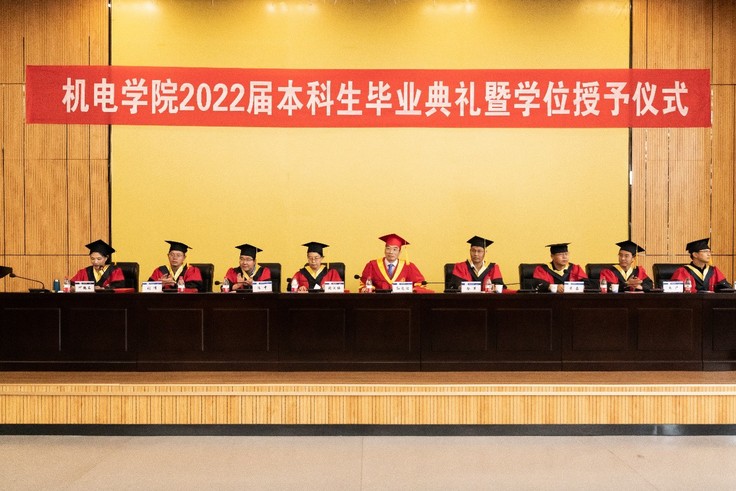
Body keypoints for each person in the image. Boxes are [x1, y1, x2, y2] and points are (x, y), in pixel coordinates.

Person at [359, 233, 431, 293]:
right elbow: (364, 283)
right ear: (384, 250)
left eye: (395, 249)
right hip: (378, 302)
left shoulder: (408, 266)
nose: (391, 252)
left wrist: (413, 290)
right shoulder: (373, 265)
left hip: (402, 302)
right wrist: (366, 289)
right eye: (388, 248)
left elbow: (420, 284)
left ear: (399, 252)